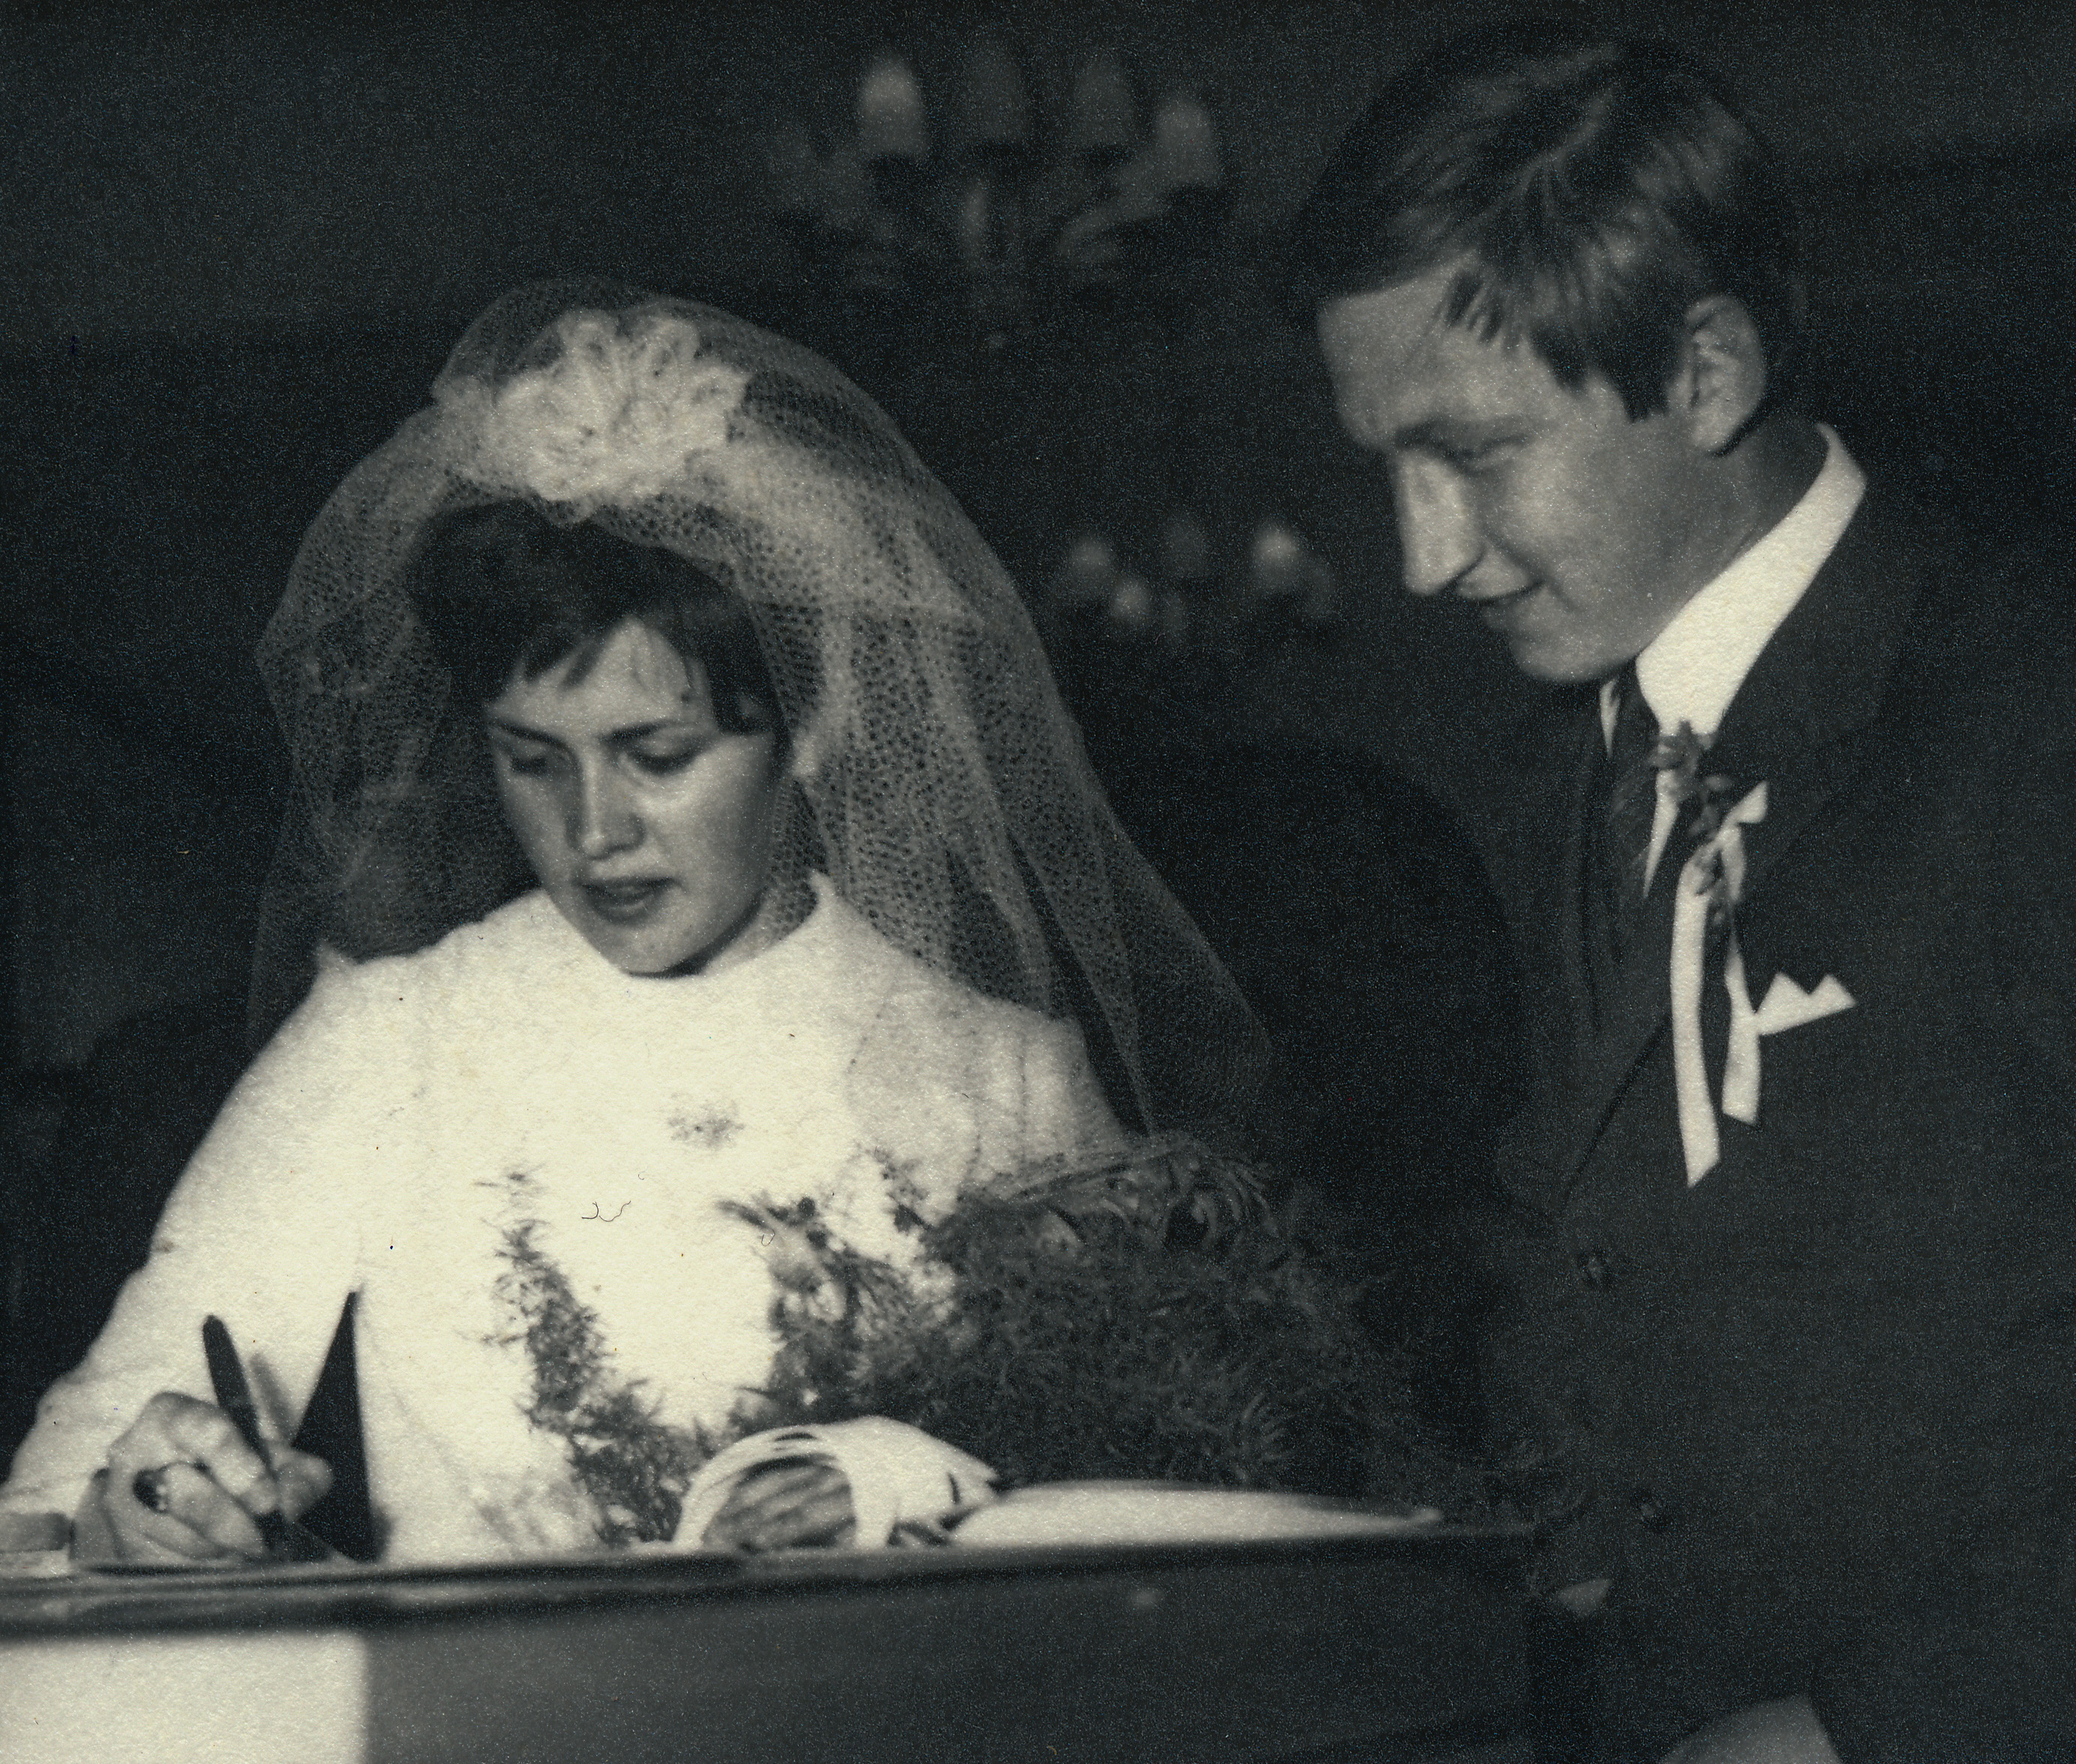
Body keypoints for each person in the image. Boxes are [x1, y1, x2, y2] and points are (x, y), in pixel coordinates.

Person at [0, 281, 1265, 1567]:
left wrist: (901, 1481)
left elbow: (1157, 1510)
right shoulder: (393, 1039)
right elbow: (58, 1494)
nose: (592, 830)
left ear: (811, 725)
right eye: (533, 760)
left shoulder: (1004, 1077)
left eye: (656, 756)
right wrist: (141, 1510)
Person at [1284, 18, 2076, 1764]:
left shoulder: (2034, 704)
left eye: (1474, 454)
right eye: (1384, 470)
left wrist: (1876, 1730)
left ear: (1705, 373)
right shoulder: (1566, 763)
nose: (1421, 557)